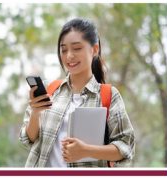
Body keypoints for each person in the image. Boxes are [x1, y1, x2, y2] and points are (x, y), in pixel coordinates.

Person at [19, 18, 135, 168]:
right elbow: (28, 139)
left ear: (94, 49)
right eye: (64, 49)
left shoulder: (109, 95)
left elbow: (126, 148)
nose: (69, 56)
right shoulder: (51, 91)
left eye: (77, 48)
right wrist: (35, 113)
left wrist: (87, 151)